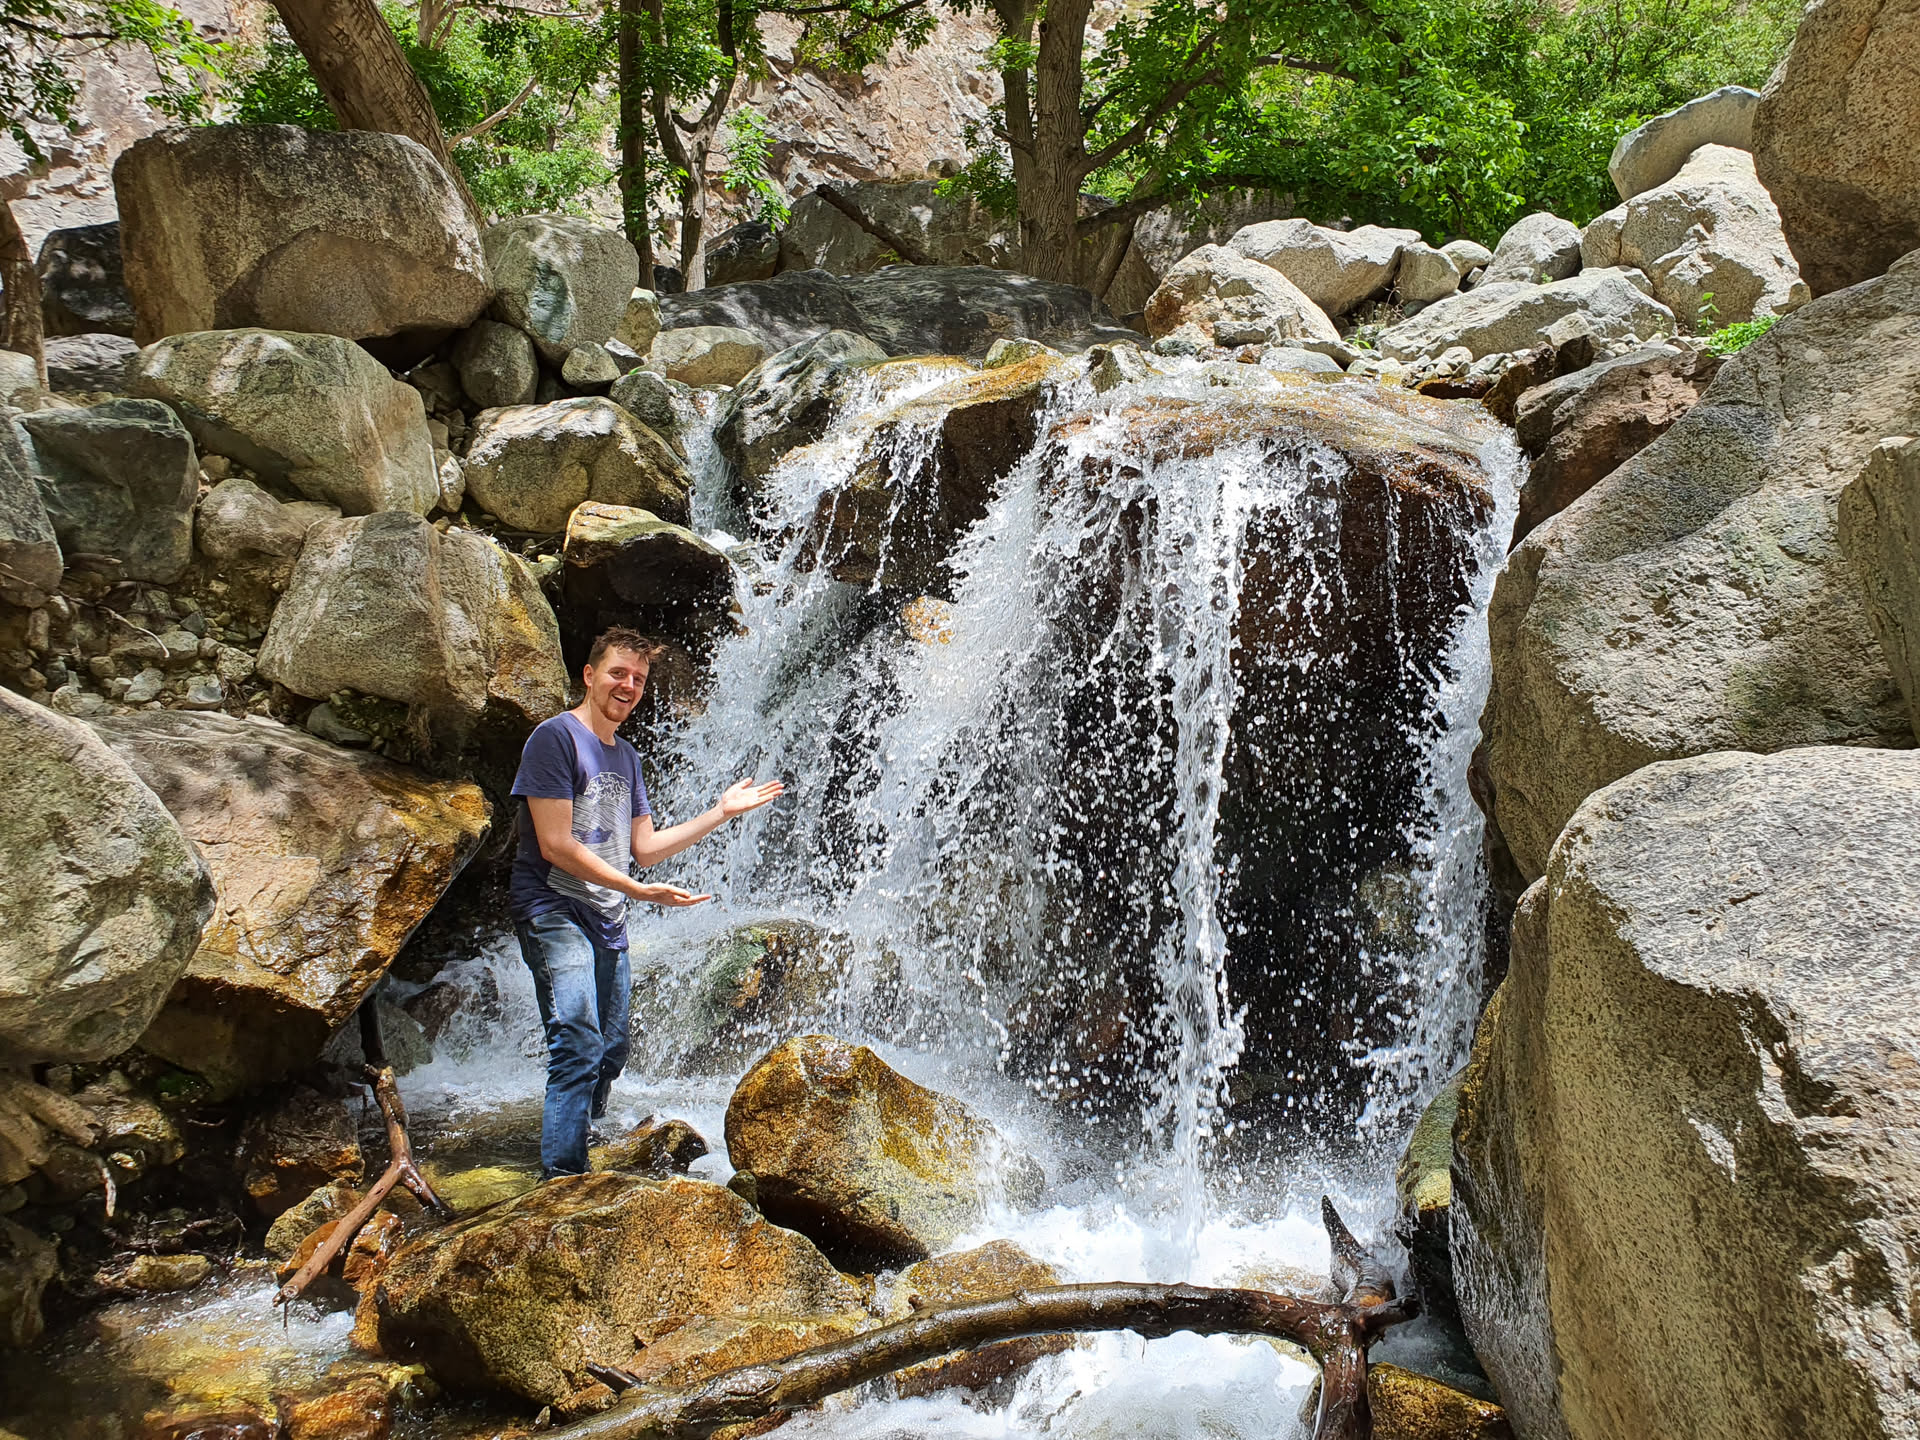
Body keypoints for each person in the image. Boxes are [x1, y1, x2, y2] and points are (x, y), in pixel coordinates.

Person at [509, 626, 782, 1178]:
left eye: (638, 678)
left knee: (611, 1048)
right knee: (578, 1038)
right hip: (553, 907)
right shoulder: (554, 739)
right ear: (589, 675)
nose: (628, 686)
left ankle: (581, 1133)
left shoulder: (627, 757)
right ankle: (563, 1178)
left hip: (607, 916)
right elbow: (554, 844)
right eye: (618, 673)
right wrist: (635, 890)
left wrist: (720, 812)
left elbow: (646, 849)